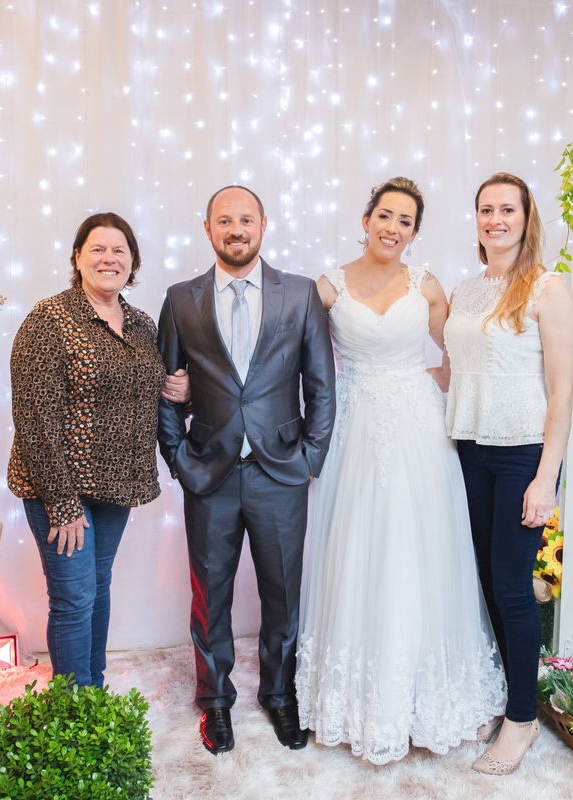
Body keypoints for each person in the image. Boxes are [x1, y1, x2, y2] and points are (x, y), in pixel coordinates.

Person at [297, 177, 507, 765]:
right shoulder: (328, 286)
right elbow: (297, 359)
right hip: (354, 429)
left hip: (419, 429)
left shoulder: (427, 284)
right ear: (366, 220)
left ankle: (429, 696)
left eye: (405, 221)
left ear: (414, 232)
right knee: (361, 550)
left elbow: (461, 349)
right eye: (385, 216)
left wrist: (443, 381)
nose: (393, 228)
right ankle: (359, 700)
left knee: (422, 550)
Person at [157, 185, 337, 755]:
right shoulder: (180, 299)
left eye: (245, 219)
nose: (235, 230)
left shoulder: (300, 294)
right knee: (209, 594)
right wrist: (178, 457)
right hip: (208, 472)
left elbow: (322, 386)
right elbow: (166, 388)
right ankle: (215, 700)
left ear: (263, 224)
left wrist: (311, 457)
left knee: (282, 592)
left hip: (280, 472)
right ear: (208, 228)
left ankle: (279, 694)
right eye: (224, 220)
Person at [8, 212, 190, 689]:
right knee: (73, 597)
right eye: (97, 249)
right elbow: (34, 418)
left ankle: (94, 691)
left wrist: (181, 389)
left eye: (119, 250)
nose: (109, 259)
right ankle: (74, 707)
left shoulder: (141, 324)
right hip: (59, 487)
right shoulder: (49, 320)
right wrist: (62, 504)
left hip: (116, 485)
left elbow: (150, 388)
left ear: (133, 262)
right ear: (77, 258)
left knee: (98, 587)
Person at [443, 173, 573, 774]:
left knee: (512, 587)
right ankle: (507, 695)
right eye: (485, 209)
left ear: (527, 219)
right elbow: (456, 370)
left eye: (507, 209)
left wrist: (547, 478)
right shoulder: (466, 289)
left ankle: (523, 719)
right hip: (469, 449)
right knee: (482, 581)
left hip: (523, 452)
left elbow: (563, 390)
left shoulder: (548, 288)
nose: (495, 219)